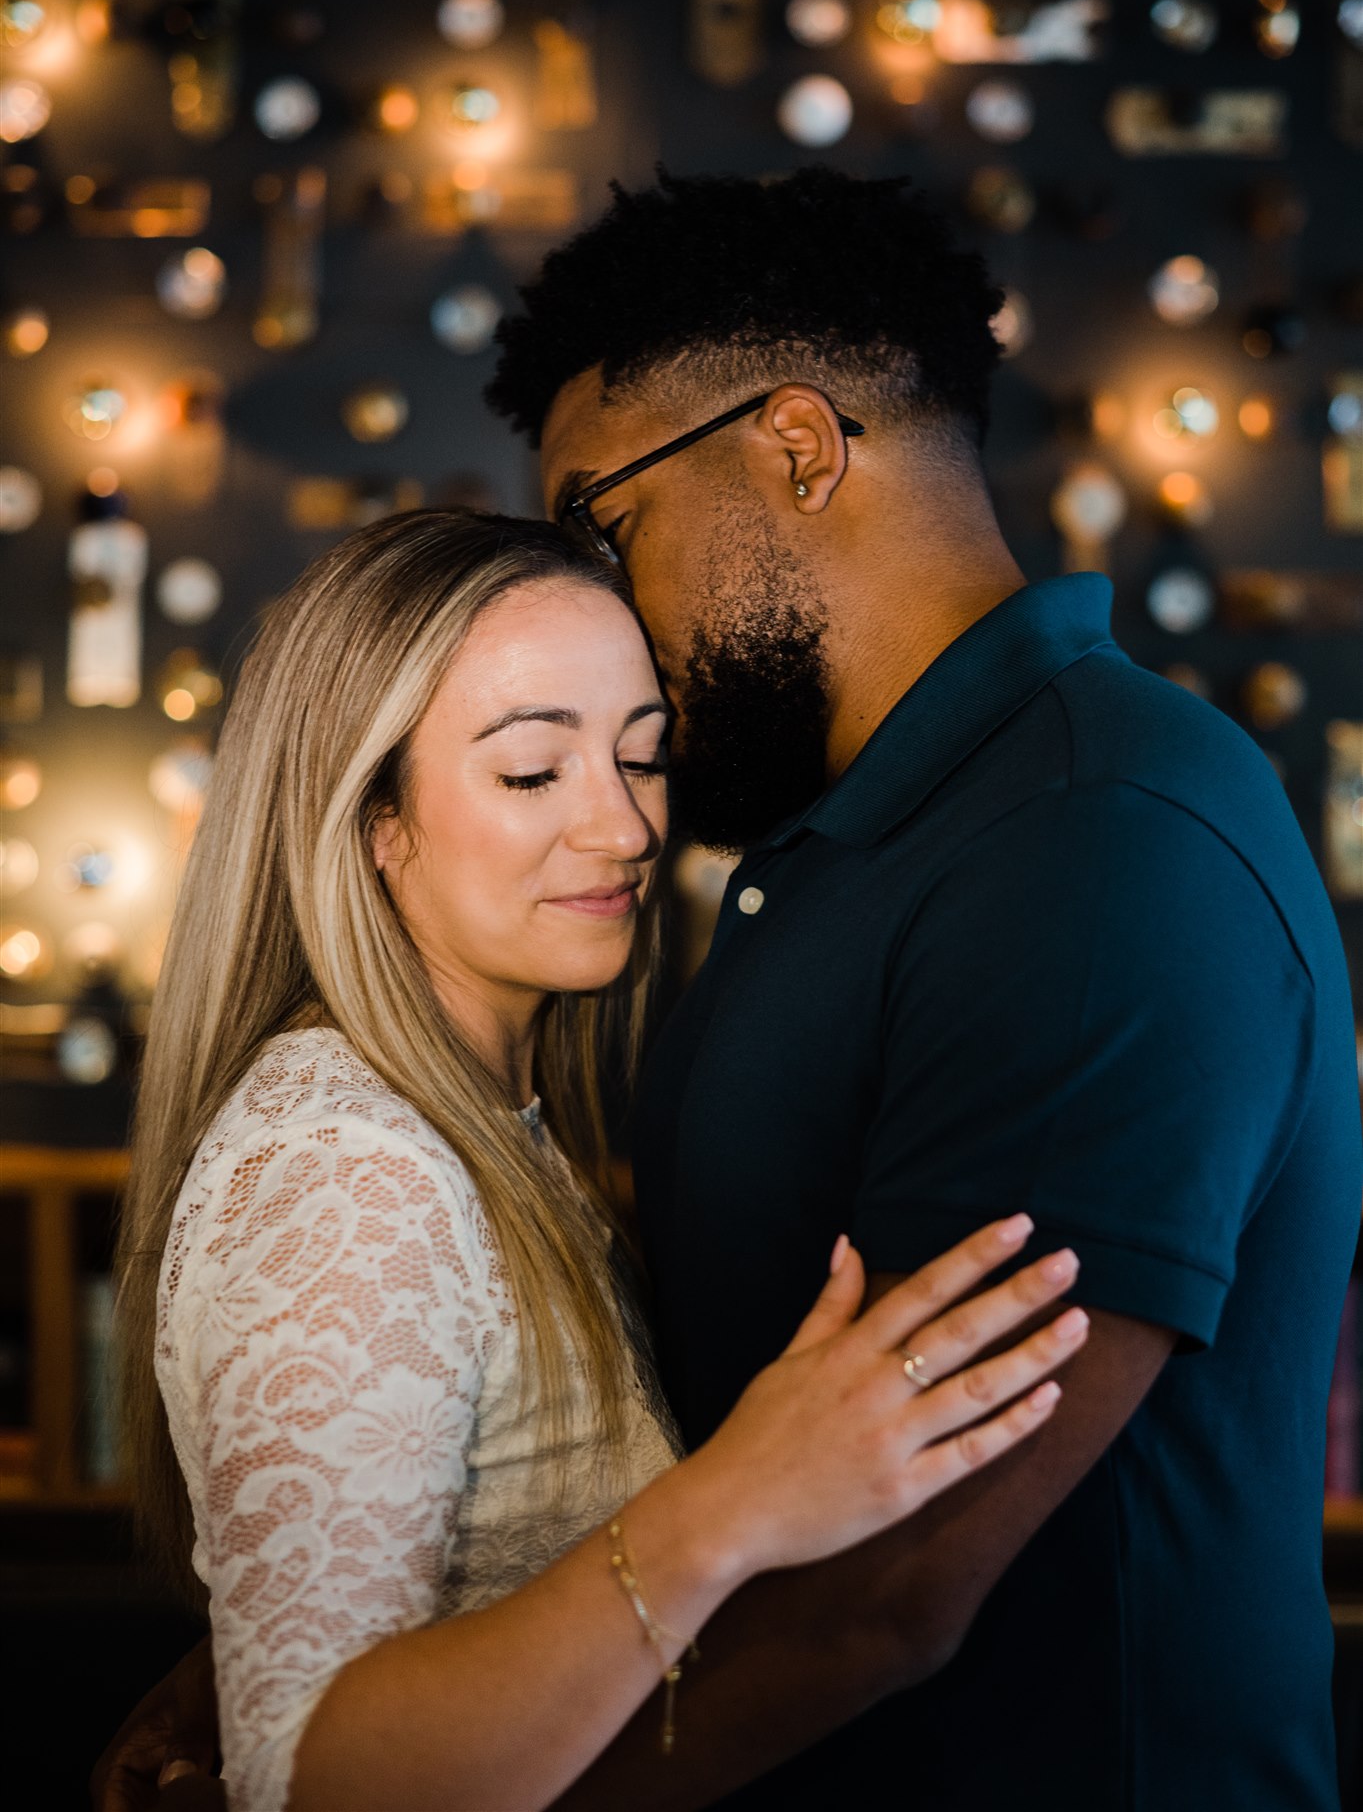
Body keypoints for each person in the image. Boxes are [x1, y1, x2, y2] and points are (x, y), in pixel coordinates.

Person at [101, 168, 1361, 1810]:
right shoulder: (832, 845)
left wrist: (370, 1777)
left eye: (603, 523)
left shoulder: (1097, 836)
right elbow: (710, 1425)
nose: (602, 601)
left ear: (796, 446)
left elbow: (887, 1586)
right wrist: (314, 1645)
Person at [107, 508, 1085, 1812]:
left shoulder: (483, 1131)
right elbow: (319, 1785)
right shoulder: (350, 1173)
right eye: (532, 773)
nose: (624, 828)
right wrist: (737, 1498)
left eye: (643, 757)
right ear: (371, 817)